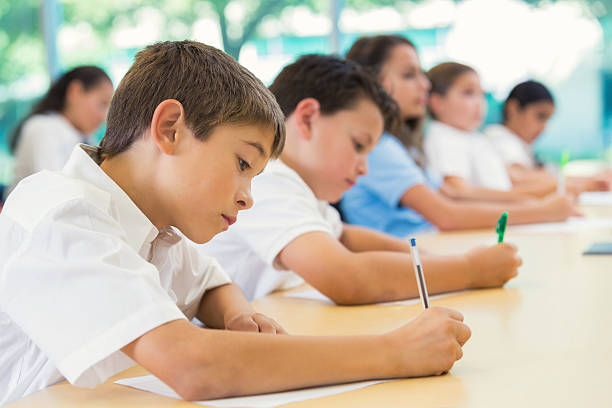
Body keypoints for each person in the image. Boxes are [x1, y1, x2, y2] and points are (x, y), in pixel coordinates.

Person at [0, 41, 471, 405]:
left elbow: (210, 283)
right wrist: (393, 352)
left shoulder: (157, 230)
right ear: (170, 129)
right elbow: (193, 367)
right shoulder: (62, 212)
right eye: (243, 164)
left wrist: (236, 316)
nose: (248, 198)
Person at [199, 53, 521, 305]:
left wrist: (438, 261)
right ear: (308, 118)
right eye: (358, 146)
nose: (364, 168)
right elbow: (345, 277)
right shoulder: (267, 179)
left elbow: (345, 236)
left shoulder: (301, 190)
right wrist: (469, 269)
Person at [340, 35, 574, 238]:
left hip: (431, 243)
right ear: (376, 84)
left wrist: (534, 204)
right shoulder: (379, 148)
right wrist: (543, 212)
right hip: (414, 250)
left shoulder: (405, 148)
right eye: (409, 75)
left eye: (422, 74)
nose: (424, 85)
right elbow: (447, 215)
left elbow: (455, 197)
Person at [485, 80, 611, 194]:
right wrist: (588, 183)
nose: (543, 128)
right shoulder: (500, 138)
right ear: (513, 108)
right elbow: (523, 178)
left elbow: (545, 176)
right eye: (540, 116)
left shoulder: (520, 144)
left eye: (547, 120)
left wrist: (592, 180)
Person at [6, 66, 113, 199]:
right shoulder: (42, 128)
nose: (103, 117)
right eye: (102, 104)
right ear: (75, 91)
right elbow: (56, 192)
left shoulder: (85, 137)